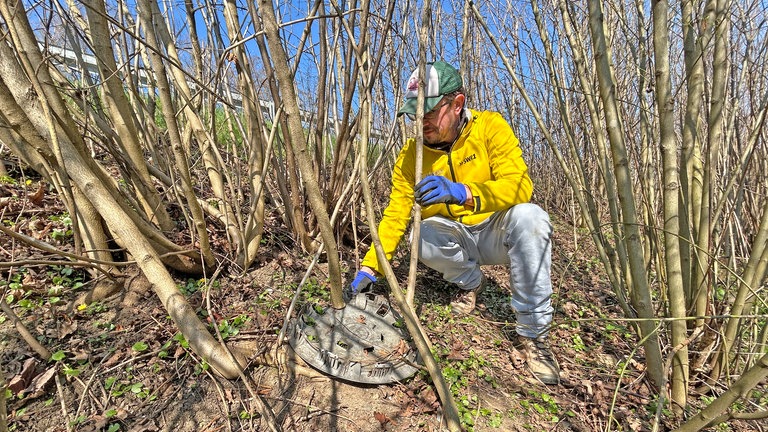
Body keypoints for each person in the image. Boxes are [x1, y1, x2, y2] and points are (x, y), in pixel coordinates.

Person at [347, 61, 560, 385]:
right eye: (416, 114)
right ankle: (472, 284)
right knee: (421, 236)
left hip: (495, 230)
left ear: (457, 103)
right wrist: (371, 267)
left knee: (531, 218)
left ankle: (534, 335)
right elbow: (396, 214)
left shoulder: (490, 127)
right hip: (453, 237)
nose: (422, 122)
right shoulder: (410, 157)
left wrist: (465, 192)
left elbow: (519, 185)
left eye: (430, 112)